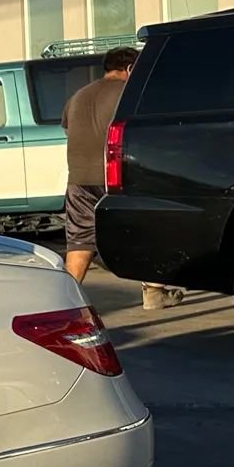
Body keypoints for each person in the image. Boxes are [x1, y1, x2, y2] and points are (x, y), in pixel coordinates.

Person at [60, 47, 180, 308]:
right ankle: (154, 291)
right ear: (130, 69)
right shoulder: (131, 94)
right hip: (119, 175)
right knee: (149, 227)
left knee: (80, 238)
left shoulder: (79, 95)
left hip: (79, 178)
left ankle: (66, 299)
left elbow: (68, 129)